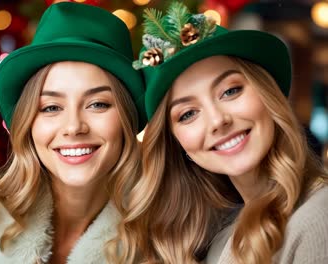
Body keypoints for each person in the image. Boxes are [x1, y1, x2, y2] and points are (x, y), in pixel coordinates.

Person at [124, 2, 328, 264]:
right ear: (176, 144)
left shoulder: (317, 217)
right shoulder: (219, 241)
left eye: (230, 91)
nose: (218, 121)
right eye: (188, 114)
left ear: (267, 94)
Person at [0, 2, 146, 264]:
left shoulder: (171, 234)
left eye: (97, 104)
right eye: (51, 107)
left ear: (127, 117)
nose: (74, 127)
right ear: (28, 124)